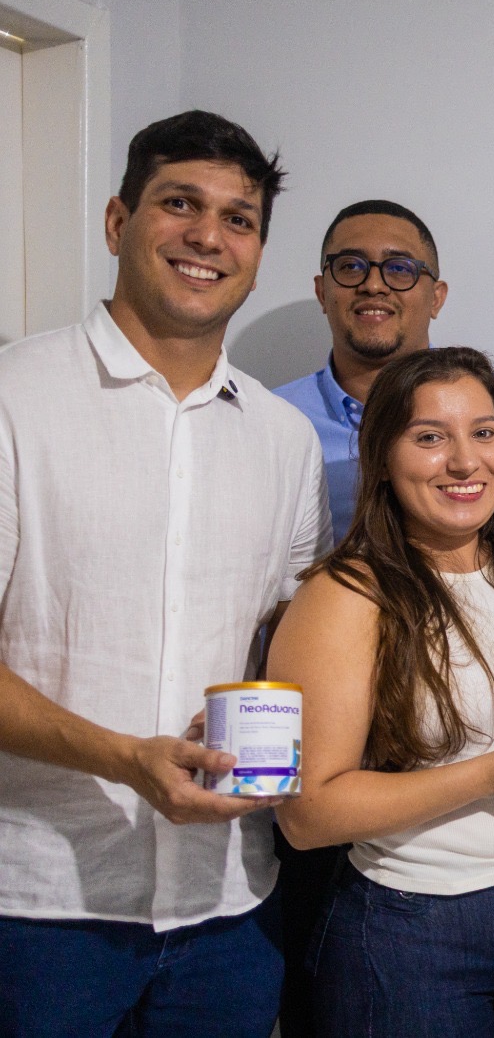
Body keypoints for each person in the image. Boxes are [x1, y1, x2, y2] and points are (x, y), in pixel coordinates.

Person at [0, 110, 329, 1037]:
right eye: (180, 204)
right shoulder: (15, 398)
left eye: (238, 219)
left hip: (231, 904)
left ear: (257, 253)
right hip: (41, 906)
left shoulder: (285, 440)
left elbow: (289, 648)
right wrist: (125, 760)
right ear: (118, 223)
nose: (208, 237)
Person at [271, 199, 494, 1033]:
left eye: (483, 433)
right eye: (429, 438)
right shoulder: (346, 594)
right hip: (415, 926)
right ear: (381, 458)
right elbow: (307, 816)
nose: (464, 461)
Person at [274, 198, 494, 555]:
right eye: (350, 266)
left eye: (399, 268)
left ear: (436, 298)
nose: (373, 285)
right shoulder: (276, 420)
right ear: (322, 292)